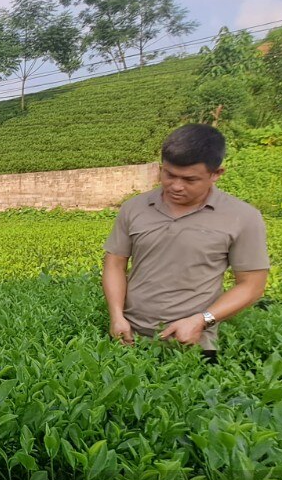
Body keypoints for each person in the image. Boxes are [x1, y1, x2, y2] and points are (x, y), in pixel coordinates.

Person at [101, 124, 269, 361]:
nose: (176, 186)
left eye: (190, 179)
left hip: (194, 344)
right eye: (169, 175)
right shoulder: (134, 208)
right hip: (129, 339)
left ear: (217, 174)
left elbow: (252, 286)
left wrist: (203, 320)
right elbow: (114, 264)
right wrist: (116, 316)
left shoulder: (242, 217)